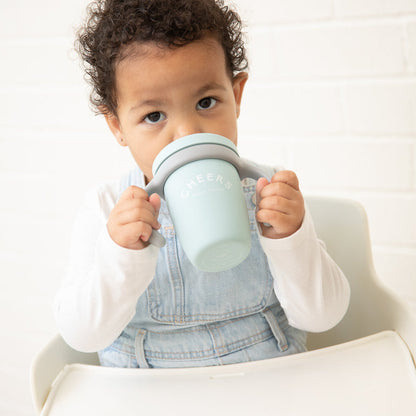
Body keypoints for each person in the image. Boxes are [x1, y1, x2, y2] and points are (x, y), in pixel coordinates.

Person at [54, 0, 350, 368]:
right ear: (117, 126)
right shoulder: (106, 207)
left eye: (206, 102)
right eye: (154, 115)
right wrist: (121, 254)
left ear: (236, 96)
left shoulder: (269, 192)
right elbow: (81, 336)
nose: (187, 133)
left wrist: (290, 239)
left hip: (265, 373)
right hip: (147, 384)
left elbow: (324, 317)